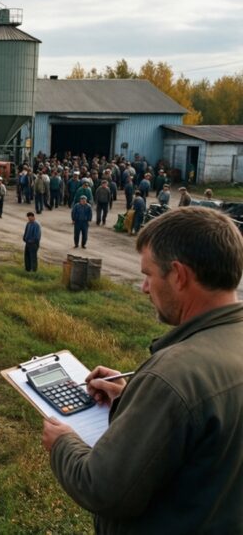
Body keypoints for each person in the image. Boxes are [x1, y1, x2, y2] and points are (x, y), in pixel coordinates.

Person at [43, 207, 243, 534]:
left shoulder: (174, 377)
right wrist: (132, 397)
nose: (144, 288)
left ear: (179, 275)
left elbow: (102, 487)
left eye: (148, 274)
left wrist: (62, 443)